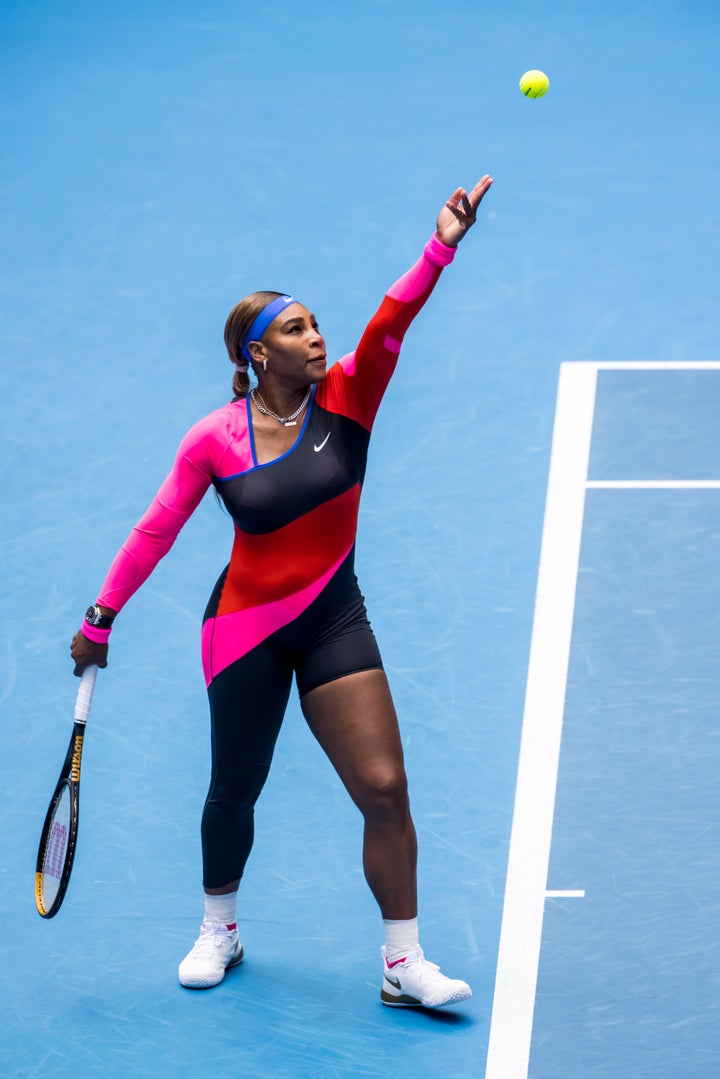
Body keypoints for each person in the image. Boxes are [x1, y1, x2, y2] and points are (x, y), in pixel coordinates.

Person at [71, 175, 493, 1009]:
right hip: (245, 628)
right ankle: (218, 926)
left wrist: (441, 241)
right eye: (295, 329)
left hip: (335, 614)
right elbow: (155, 529)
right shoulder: (215, 439)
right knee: (236, 786)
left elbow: (391, 320)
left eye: (315, 325)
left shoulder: (350, 397)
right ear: (255, 354)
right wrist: (101, 616)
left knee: (385, 787)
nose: (316, 338)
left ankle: (402, 961)